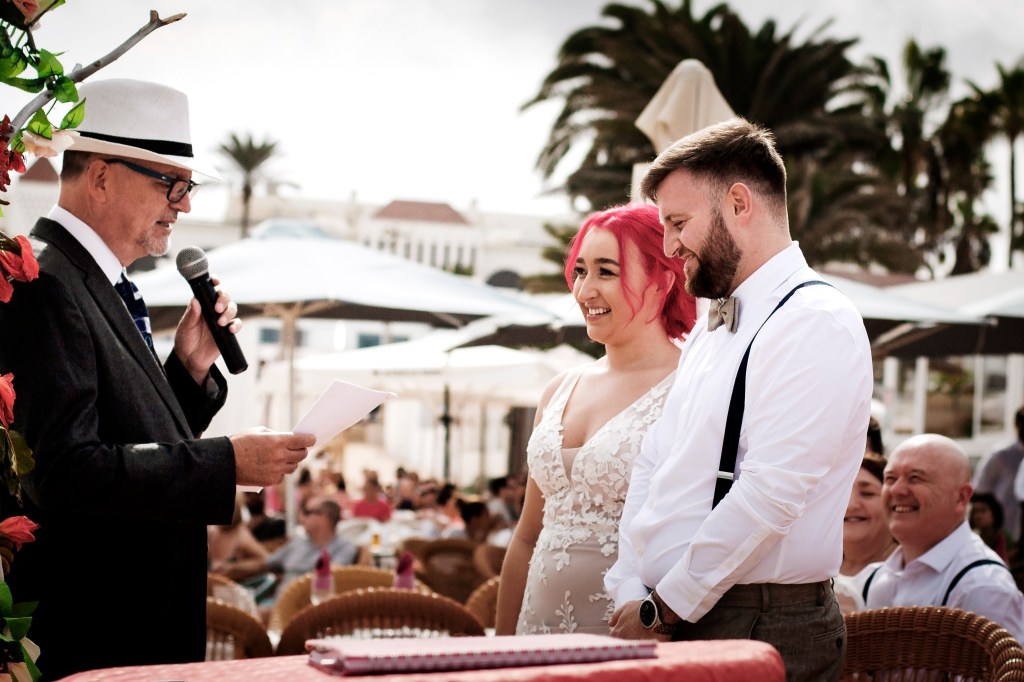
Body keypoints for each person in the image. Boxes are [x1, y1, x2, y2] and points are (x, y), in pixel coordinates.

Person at [0, 79, 314, 680]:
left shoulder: (97, 281)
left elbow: (121, 436)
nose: (185, 204)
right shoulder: (45, 280)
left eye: (187, 186)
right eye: (171, 183)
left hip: (129, 630)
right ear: (100, 176)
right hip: (97, 634)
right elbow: (66, 473)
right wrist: (227, 463)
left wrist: (189, 370)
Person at [604, 119, 873, 682]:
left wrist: (662, 606)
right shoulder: (709, 326)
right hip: (673, 613)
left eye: (678, 223)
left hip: (762, 622)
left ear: (739, 203)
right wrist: (631, 585)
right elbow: (655, 460)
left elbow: (771, 494)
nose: (670, 246)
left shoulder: (816, 322)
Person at [495, 203, 697, 636]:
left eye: (607, 271)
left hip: (632, 634)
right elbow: (527, 538)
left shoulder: (691, 388)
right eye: (581, 271)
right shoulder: (558, 389)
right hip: (535, 633)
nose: (586, 290)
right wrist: (500, 645)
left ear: (664, 280)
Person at [863, 434, 1024, 641]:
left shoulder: (982, 587)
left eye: (915, 478)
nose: (897, 490)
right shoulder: (877, 577)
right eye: (890, 479)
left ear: (961, 498)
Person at [230, 495, 359, 600]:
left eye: (307, 512)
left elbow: (330, 575)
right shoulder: (297, 544)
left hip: (306, 608)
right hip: (277, 603)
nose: (301, 517)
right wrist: (231, 568)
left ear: (324, 518)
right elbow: (265, 563)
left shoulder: (343, 546)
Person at [834, 453, 897, 613]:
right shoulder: (814, 569)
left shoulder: (907, 572)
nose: (851, 505)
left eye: (868, 493)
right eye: (843, 493)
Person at [970, 491, 1009, 561]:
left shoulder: (1005, 538)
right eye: (975, 512)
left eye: (983, 511)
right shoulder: (970, 539)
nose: (978, 516)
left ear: (994, 514)